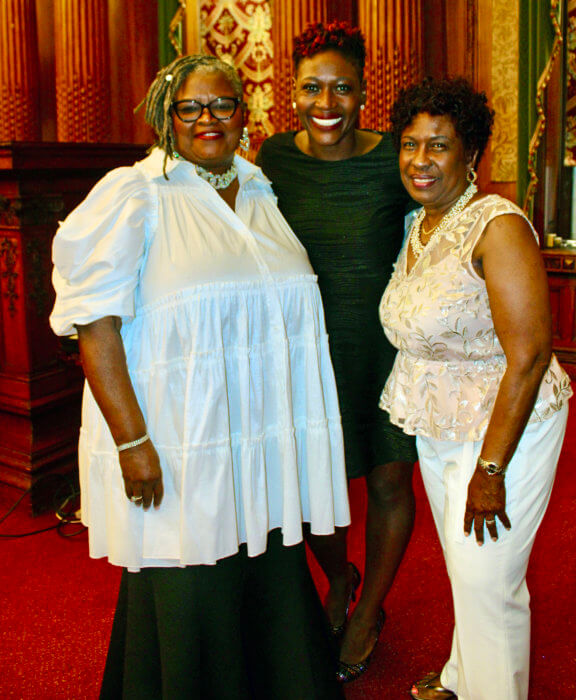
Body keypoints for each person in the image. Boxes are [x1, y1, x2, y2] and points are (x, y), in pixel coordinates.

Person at [50, 54, 350, 700]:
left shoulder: (262, 189)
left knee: (267, 577)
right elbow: (92, 322)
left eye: (223, 105)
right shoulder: (137, 194)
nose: (207, 118)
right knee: (192, 587)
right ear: (168, 115)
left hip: (259, 448)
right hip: (181, 446)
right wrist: (132, 441)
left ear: (246, 115)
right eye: (191, 106)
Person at [379, 76, 572, 700]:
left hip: (506, 424)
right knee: (469, 567)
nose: (420, 161)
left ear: (471, 154)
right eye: (410, 145)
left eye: (439, 146)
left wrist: (491, 469)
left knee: (489, 580)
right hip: (439, 421)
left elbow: (530, 353)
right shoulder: (420, 225)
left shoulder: (497, 224)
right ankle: (464, 676)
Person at [257, 21, 418, 683]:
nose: (326, 102)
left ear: (363, 92)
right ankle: (340, 573)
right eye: (311, 87)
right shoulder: (273, 158)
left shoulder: (392, 159)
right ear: (289, 91)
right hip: (303, 353)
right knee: (309, 492)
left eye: (342, 88)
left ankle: (367, 611)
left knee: (385, 481)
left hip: (380, 351)